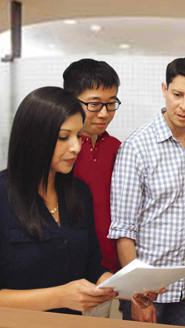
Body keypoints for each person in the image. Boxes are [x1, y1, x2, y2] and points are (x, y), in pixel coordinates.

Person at [0, 87, 158, 315]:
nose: (76, 147)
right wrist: (59, 296)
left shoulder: (79, 193)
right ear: (33, 138)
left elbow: (91, 267)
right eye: (63, 137)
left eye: (79, 135)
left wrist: (132, 289)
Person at [109, 56, 185, 326]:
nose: (184, 105)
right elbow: (123, 230)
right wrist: (138, 293)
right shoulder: (136, 147)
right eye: (177, 94)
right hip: (149, 291)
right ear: (164, 90)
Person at [63, 59, 122, 274]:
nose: (104, 113)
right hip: (70, 263)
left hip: (110, 260)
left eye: (111, 103)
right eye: (95, 104)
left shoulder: (117, 148)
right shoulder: (59, 150)